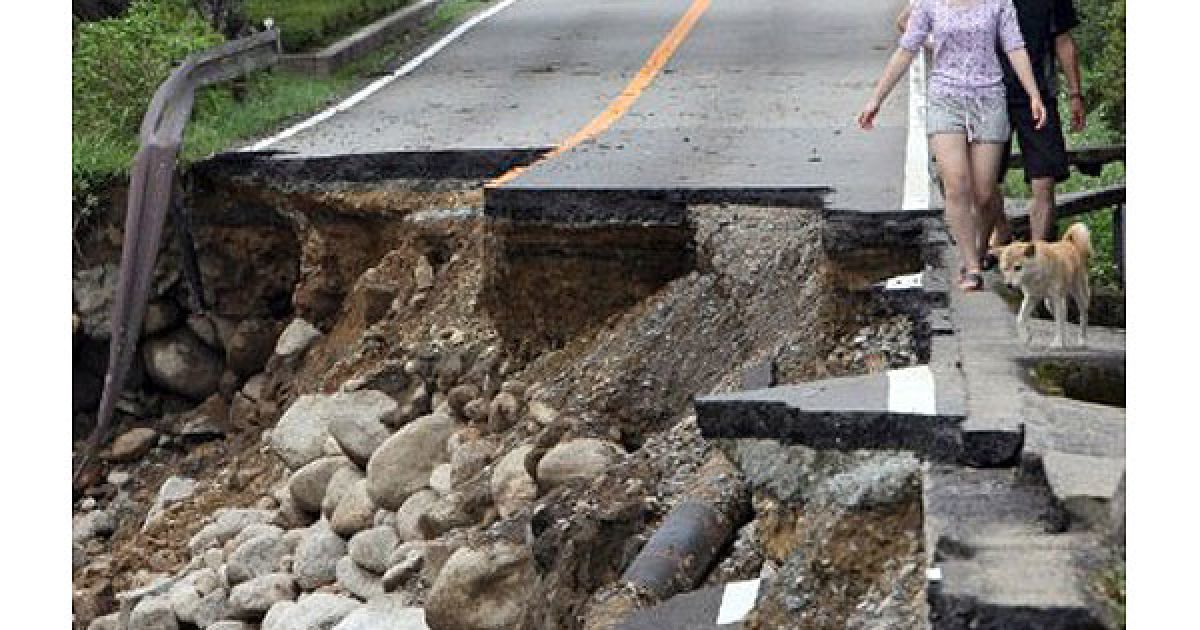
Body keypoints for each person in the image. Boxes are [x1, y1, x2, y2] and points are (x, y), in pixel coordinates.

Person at [860, 0, 1047, 291]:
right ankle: (971, 266)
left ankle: (980, 248)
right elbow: (907, 49)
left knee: (985, 194)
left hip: (989, 99)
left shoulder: (999, 4)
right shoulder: (929, 4)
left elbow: (1015, 48)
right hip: (946, 99)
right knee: (957, 183)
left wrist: (1033, 94)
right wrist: (876, 99)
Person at [980, 0, 1085, 251]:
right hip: (990, 94)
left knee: (1044, 180)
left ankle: (1036, 254)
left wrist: (1075, 94)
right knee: (984, 178)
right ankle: (1001, 229)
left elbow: (1064, 42)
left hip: (1040, 95)